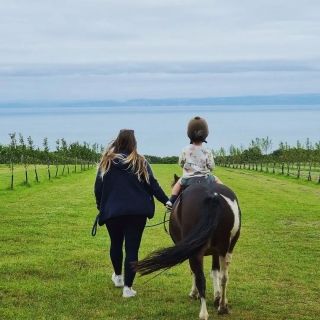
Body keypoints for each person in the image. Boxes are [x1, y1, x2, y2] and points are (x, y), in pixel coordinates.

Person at [94, 129, 169, 298]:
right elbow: (153, 185)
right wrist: (167, 201)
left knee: (115, 243)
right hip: (137, 212)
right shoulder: (140, 161)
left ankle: (118, 277)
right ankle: (128, 288)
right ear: (133, 143)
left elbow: (98, 188)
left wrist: (101, 207)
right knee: (132, 249)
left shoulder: (106, 162)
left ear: (118, 141)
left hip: (113, 211)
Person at [166, 116, 223, 209]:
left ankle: (171, 200)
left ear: (189, 134)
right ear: (205, 134)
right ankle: (225, 196)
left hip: (188, 178)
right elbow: (211, 166)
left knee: (178, 183)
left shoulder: (185, 149)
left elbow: (181, 163)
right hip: (205, 178)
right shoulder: (207, 151)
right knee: (217, 180)